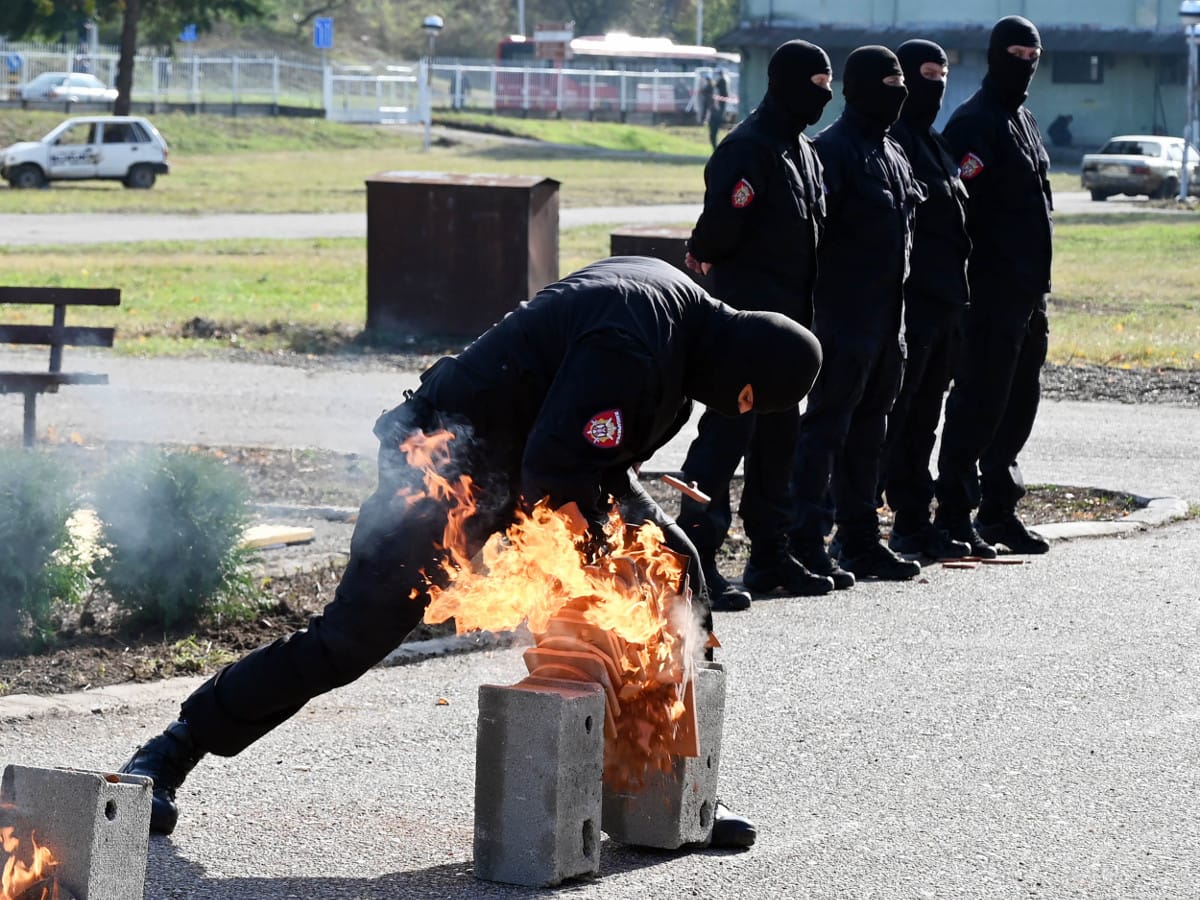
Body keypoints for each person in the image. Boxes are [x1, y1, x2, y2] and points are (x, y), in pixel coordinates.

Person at [117, 256, 824, 851]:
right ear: (742, 372)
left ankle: (671, 789)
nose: (731, 413)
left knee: (674, 575)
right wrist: (603, 561)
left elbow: (599, 462)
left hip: (524, 469)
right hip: (444, 474)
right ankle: (170, 752)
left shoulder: (684, 328)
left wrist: (662, 564)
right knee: (349, 639)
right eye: (744, 402)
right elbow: (558, 468)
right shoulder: (638, 340)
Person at [679, 40, 835, 608]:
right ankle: (694, 562)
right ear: (785, 83)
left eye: (829, 85)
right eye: (815, 84)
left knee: (779, 443)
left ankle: (771, 556)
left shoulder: (804, 151)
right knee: (725, 439)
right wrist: (701, 250)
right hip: (744, 328)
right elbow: (721, 230)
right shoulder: (750, 148)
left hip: (790, 333)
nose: (824, 94)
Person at [787, 45, 926, 583]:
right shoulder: (832, 152)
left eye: (901, 83)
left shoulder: (892, 153)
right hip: (842, 318)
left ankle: (860, 539)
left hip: (890, 321)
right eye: (888, 83)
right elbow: (813, 241)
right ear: (861, 87)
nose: (899, 92)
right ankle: (805, 538)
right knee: (825, 430)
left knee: (872, 432)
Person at [932, 16, 1053, 557]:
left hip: (1027, 292)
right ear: (994, 56)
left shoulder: (1021, 118)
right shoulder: (975, 122)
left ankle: (1000, 510)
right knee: (978, 399)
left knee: (1017, 400)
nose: (1025, 64)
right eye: (1016, 54)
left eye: (1033, 55)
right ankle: (954, 513)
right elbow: (955, 212)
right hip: (987, 291)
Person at [878, 39, 973, 561]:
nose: (935, 85)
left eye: (943, 74)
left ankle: (913, 521)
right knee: (894, 416)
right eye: (925, 74)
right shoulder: (893, 144)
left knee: (923, 421)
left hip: (945, 305)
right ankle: (862, 525)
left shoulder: (933, 143)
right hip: (909, 307)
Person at [710, 67, 730, 149]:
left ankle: (722, 119)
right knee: (722, 109)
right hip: (724, 97)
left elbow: (715, 86)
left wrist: (712, 82)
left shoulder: (722, 80)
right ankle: (722, 118)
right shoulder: (725, 79)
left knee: (722, 109)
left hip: (723, 97)